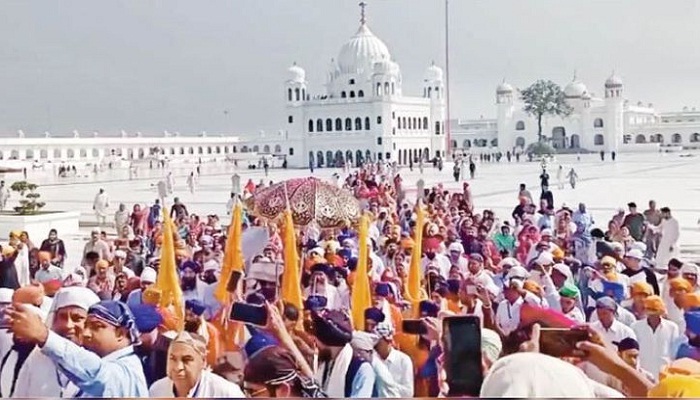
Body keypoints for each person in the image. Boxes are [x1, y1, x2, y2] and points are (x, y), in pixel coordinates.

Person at [6, 300, 149, 397]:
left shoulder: (127, 371)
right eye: (86, 325)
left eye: (96, 327)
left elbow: (98, 377)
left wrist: (45, 336)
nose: (86, 333)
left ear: (120, 333)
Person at [13, 287, 101, 397]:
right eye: (63, 317)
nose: (68, 325)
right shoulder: (38, 358)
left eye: (77, 318)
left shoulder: (103, 363)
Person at [148, 331, 244, 397]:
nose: (178, 367)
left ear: (203, 362)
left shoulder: (226, 393)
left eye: (186, 360)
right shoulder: (157, 390)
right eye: (172, 359)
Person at [311, 309, 376, 397]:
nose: (316, 345)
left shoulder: (361, 370)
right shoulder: (326, 364)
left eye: (316, 341)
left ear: (325, 341)